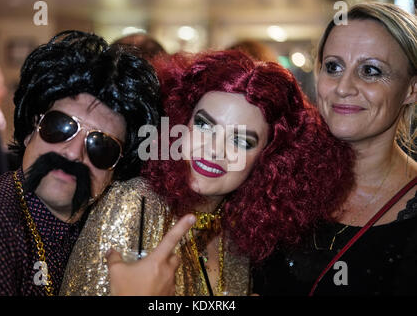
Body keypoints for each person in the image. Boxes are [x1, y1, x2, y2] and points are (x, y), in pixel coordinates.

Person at [60, 50, 354, 296]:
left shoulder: (237, 239)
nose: (214, 150)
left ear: (268, 161)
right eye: (204, 125)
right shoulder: (134, 204)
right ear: (178, 123)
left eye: (240, 140)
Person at [0, 30, 161, 296]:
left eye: (100, 146)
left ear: (116, 169)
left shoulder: (110, 228)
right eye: (60, 126)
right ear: (31, 130)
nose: (72, 153)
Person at [253, 2, 417, 296]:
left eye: (370, 70)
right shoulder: (276, 178)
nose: (343, 87)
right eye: (333, 67)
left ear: (411, 90)